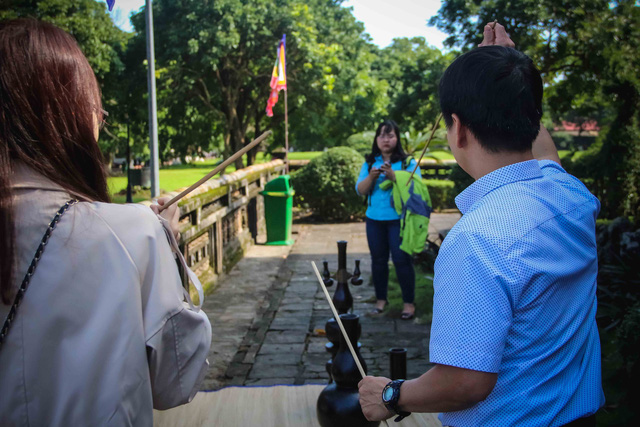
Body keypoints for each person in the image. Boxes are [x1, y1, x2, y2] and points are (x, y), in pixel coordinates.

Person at [358, 23, 604, 427]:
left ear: (458, 128)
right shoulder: (571, 196)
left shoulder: (478, 240)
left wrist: (390, 394)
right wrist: (511, 76)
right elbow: (546, 157)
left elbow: (465, 381)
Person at [0, 19, 211, 426]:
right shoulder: (131, 233)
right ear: (65, 114)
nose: (100, 118)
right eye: (95, 106)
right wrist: (164, 244)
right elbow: (176, 383)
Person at [356, 120, 421, 320]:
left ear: (397, 138)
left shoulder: (407, 163)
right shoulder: (369, 162)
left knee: (402, 261)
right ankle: (380, 300)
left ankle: (409, 303)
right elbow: (360, 190)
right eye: (382, 136)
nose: (386, 140)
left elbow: (417, 189)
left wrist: (395, 177)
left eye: (390, 135)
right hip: (374, 219)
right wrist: (372, 177)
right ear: (376, 139)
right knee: (378, 261)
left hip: (399, 220)